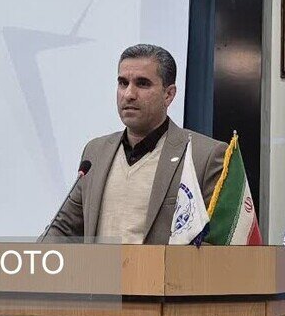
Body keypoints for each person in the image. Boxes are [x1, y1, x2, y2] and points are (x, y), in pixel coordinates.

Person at [42, 44, 227, 244]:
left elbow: (220, 245)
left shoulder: (204, 156)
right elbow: (63, 229)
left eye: (142, 84)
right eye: (123, 83)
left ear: (169, 94)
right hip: (100, 266)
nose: (129, 94)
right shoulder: (95, 152)